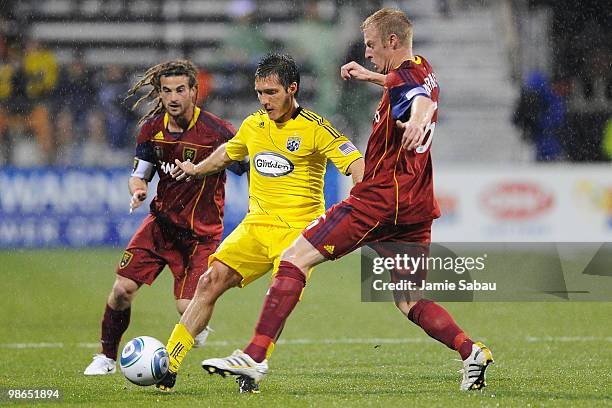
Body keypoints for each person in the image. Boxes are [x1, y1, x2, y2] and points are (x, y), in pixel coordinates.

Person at [200, 8, 494, 392]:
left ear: (391, 41)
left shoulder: (412, 84)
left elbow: (417, 98)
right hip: (416, 204)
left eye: (372, 46)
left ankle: (254, 357)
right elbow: (409, 84)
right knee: (408, 299)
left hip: (380, 198)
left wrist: (420, 118)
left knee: (294, 258)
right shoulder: (421, 67)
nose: (368, 52)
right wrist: (371, 75)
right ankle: (471, 351)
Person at [157, 53, 365, 392]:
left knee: (276, 297)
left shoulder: (315, 128)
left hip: (298, 235)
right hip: (256, 228)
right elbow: (230, 152)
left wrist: (355, 208)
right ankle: (169, 362)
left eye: (271, 92)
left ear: (292, 89)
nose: (264, 101)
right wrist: (198, 168)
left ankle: (254, 364)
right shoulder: (254, 125)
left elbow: (357, 165)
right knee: (209, 282)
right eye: (259, 93)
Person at [83, 60, 248, 375]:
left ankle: (196, 322)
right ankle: (106, 357)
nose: (174, 97)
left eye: (180, 90)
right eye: (167, 90)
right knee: (121, 291)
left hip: (201, 235)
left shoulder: (218, 131)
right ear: (159, 93)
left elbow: (246, 166)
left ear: (193, 91)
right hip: (161, 226)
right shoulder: (150, 129)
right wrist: (138, 190)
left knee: (187, 308)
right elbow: (139, 174)